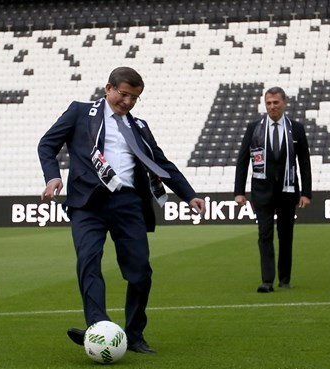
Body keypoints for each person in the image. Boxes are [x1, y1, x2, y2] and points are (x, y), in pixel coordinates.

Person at [38, 66, 205, 354]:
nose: (127, 102)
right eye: (123, 94)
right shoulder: (80, 112)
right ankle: (98, 327)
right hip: (87, 203)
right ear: (108, 88)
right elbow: (47, 145)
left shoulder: (138, 127)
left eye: (134, 98)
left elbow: (161, 164)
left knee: (140, 272)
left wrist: (189, 195)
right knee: (89, 262)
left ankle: (135, 334)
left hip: (128, 204)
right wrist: (53, 176)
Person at [234, 86, 312, 293]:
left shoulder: (296, 128)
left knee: (286, 235)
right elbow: (243, 160)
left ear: (284, 103)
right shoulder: (254, 128)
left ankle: (285, 278)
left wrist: (306, 192)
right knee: (264, 234)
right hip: (262, 191)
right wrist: (238, 191)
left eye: (276, 102)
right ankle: (267, 280)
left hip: (288, 191)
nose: (272, 107)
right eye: (268, 103)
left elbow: (304, 162)